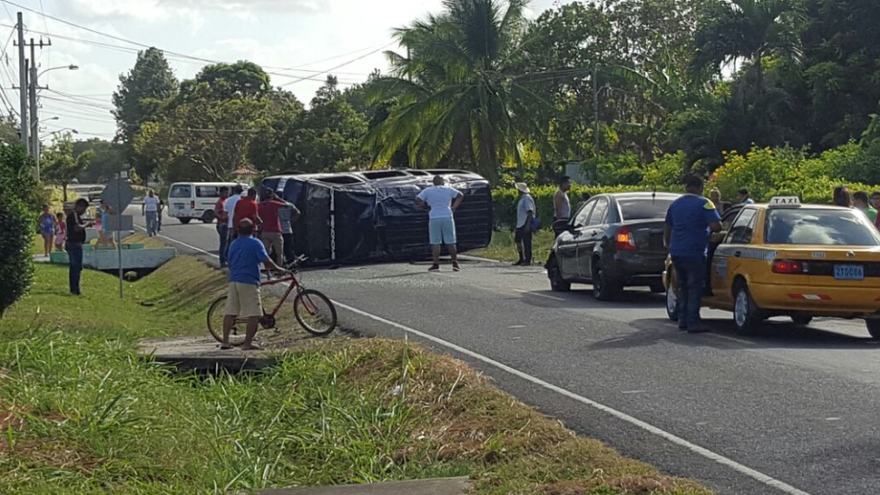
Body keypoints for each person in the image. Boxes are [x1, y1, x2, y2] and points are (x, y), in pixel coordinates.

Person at [664, 175, 722, 333]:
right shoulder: (705, 203)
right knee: (695, 286)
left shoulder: (675, 204)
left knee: (682, 286)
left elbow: (668, 227)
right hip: (695, 252)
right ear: (701, 188)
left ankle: (682, 320)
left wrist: (668, 244)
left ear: (686, 187)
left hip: (676, 251)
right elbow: (716, 226)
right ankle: (693, 321)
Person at [222, 219, 287, 351]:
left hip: (234, 280)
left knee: (231, 312)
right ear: (253, 230)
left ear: (238, 230)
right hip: (248, 281)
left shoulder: (234, 244)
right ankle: (247, 344)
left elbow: (229, 261)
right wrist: (278, 269)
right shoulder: (255, 243)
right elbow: (265, 260)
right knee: (254, 315)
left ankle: (225, 342)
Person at [415, 175, 464, 271]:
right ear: (442, 182)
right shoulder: (448, 189)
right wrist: (454, 207)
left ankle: (436, 263)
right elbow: (460, 195)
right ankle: (454, 263)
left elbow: (417, 199)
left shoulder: (428, 191)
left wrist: (425, 207)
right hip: (447, 216)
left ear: (433, 182)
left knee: (435, 242)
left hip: (434, 216)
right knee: (450, 241)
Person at [259, 189, 298, 267]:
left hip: (269, 229)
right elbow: (297, 212)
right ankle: (287, 265)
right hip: (284, 228)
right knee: (286, 249)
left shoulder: (264, 205)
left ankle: (272, 267)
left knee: (270, 250)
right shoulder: (279, 204)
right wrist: (292, 221)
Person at [66, 198, 93, 296]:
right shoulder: (74, 215)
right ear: (79, 206)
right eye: (84, 209)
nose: (84, 212)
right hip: (74, 243)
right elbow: (77, 227)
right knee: (76, 267)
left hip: (75, 243)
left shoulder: (74, 215)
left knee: (75, 267)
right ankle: (75, 289)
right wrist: (87, 224)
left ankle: (74, 288)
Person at [514, 182, 536, 266]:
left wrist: (527, 225)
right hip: (520, 223)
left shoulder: (527, 198)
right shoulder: (522, 198)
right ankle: (521, 258)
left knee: (527, 242)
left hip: (525, 222)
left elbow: (530, 212)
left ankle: (527, 259)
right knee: (518, 240)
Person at [277, 195, 301, 264]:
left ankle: (281, 261)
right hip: (287, 227)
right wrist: (292, 220)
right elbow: (298, 213)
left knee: (280, 247)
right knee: (289, 246)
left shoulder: (275, 205)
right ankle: (291, 260)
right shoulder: (289, 205)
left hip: (278, 227)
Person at [215, 186, 230, 268]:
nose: (227, 194)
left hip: (226, 224)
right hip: (222, 224)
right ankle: (222, 261)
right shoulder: (220, 202)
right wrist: (222, 218)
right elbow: (216, 212)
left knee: (227, 243)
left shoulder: (226, 201)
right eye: (225, 192)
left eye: (227, 192)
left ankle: (225, 259)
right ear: (221, 193)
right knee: (223, 243)